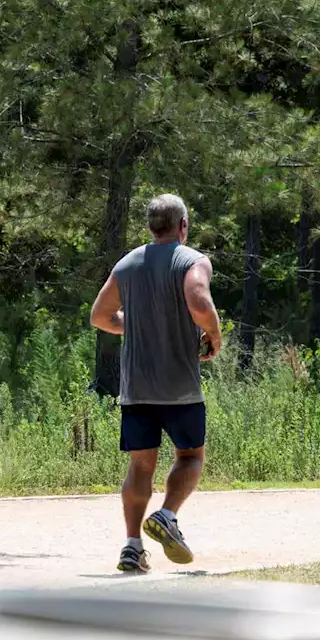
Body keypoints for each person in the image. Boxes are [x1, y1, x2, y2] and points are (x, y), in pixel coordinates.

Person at [89, 193, 221, 573]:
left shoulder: (127, 264)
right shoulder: (191, 260)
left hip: (136, 388)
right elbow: (199, 299)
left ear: (150, 226)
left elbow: (100, 315)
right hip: (179, 386)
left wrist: (132, 323)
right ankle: (166, 515)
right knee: (191, 456)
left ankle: (132, 546)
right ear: (183, 225)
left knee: (140, 466)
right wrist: (214, 334)